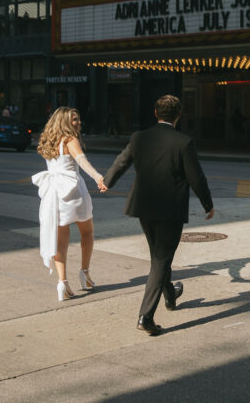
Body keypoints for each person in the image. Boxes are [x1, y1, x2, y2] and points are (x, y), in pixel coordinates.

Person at [103, 94, 215, 336]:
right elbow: (196, 178)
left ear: (156, 113)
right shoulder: (183, 142)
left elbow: (121, 162)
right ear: (179, 115)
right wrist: (208, 205)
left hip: (143, 208)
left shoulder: (139, 137)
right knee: (161, 260)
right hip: (170, 210)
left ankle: (170, 295)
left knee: (159, 257)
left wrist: (107, 181)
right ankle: (146, 316)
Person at [32, 107, 107, 301]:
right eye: (74, 119)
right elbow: (82, 161)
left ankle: (62, 283)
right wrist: (99, 177)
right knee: (87, 232)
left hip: (54, 193)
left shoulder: (49, 141)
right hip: (73, 191)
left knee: (60, 240)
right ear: (64, 122)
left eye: (78, 118)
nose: (79, 122)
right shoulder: (70, 139)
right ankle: (85, 273)